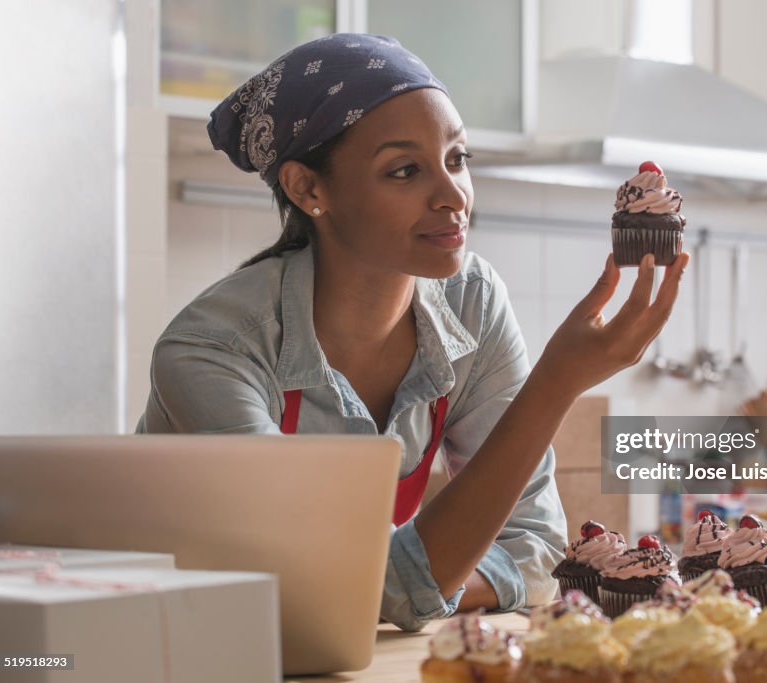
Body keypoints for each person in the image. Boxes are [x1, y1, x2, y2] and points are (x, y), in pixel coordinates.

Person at [137, 34, 690, 631]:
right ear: (308, 189)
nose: (453, 196)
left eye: (457, 159)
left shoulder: (472, 302)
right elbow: (335, 594)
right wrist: (556, 384)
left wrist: (417, 588)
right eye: (405, 170)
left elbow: (535, 550)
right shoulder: (214, 349)